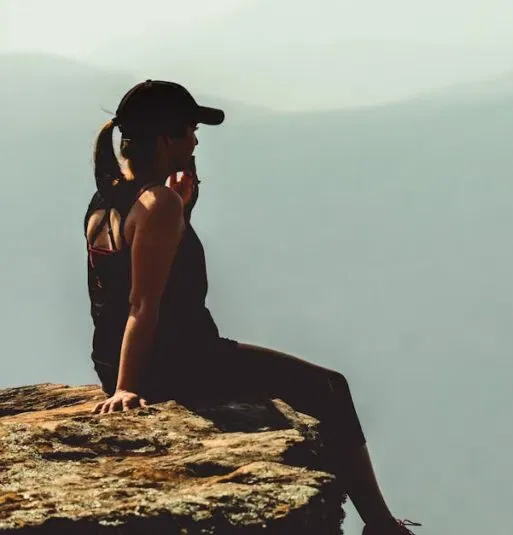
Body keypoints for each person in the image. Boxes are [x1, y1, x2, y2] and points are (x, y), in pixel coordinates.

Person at [84, 80, 420, 535]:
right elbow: (143, 303)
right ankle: (381, 525)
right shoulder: (158, 203)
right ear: (166, 140)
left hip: (116, 357)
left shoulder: (110, 198)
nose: (197, 139)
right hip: (180, 362)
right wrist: (127, 388)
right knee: (330, 389)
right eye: (189, 129)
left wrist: (185, 211)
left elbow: (131, 278)